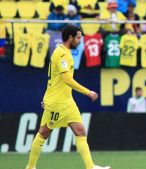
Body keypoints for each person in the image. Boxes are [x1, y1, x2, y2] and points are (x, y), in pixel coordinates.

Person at [25, 25, 111, 169]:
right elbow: (66, 79)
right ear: (70, 37)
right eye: (78, 37)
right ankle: (30, 167)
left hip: (66, 101)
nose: (80, 40)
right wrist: (88, 92)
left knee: (80, 131)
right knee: (44, 133)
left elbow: (54, 79)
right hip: (58, 102)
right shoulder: (62, 54)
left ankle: (90, 167)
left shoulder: (65, 52)